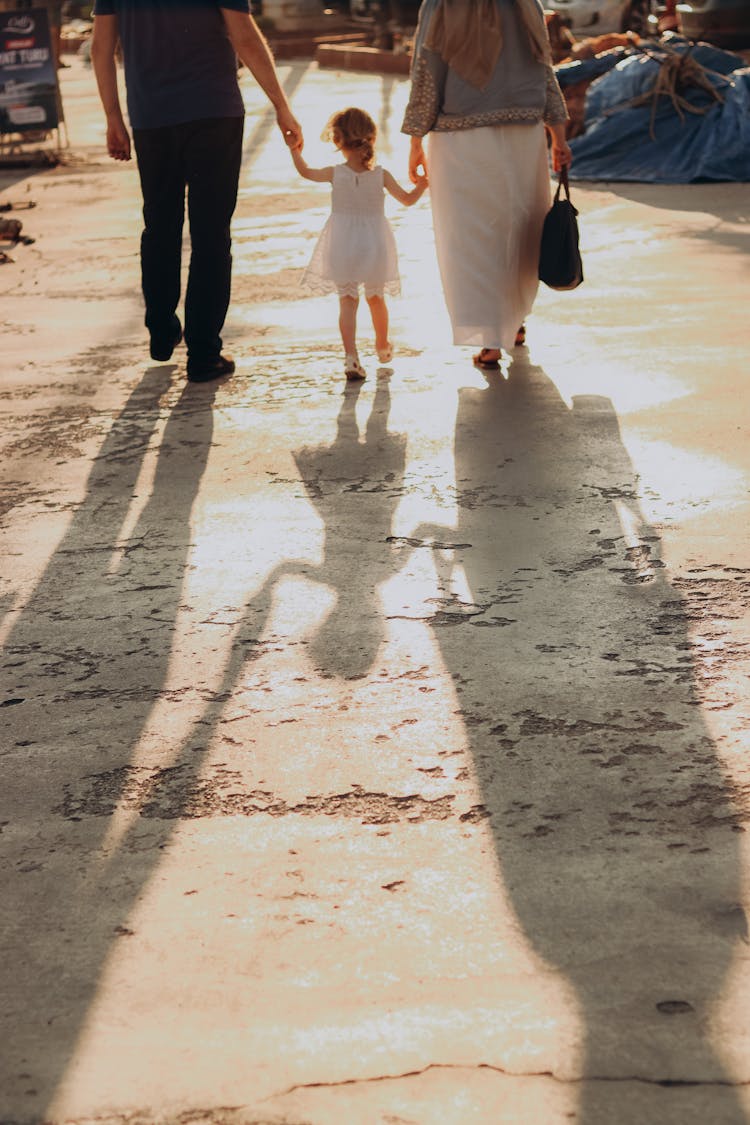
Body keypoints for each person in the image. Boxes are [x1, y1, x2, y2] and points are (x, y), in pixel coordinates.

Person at [90, 0, 302, 383]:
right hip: (213, 112)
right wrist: (281, 106)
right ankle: (204, 354)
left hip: (152, 117)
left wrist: (112, 118)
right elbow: (244, 36)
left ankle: (161, 326)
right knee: (211, 235)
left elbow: (101, 46)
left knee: (159, 223)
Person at [402, 0, 572, 368]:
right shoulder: (525, 3)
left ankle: (492, 338)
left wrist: (416, 138)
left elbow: (427, 70)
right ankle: (516, 322)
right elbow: (544, 68)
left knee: (473, 236)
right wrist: (558, 133)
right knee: (521, 226)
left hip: (462, 136)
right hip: (524, 134)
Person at [290, 106, 428, 382]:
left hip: (342, 243)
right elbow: (408, 200)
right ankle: (382, 346)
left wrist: (294, 148)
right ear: (371, 139)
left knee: (348, 300)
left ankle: (351, 357)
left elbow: (306, 172)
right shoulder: (381, 175)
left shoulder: (335, 173)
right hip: (374, 243)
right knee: (376, 297)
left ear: (338, 140)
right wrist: (423, 183)